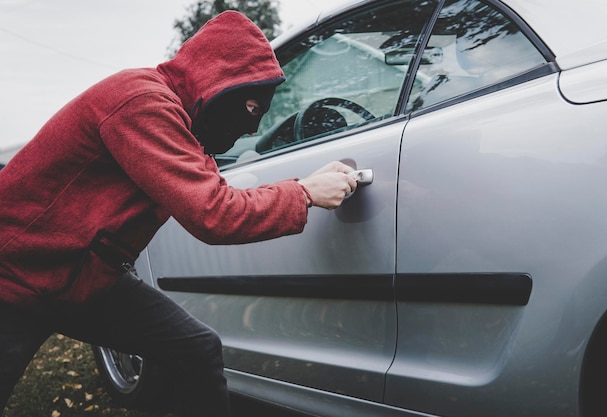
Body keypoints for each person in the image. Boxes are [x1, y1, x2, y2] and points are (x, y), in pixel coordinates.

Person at [0, 11, 357, 417]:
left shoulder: (184, 127)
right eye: (250, 107)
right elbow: (214, 213)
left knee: (195, 349)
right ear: (219, 81)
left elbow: (218, 192)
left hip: (80, 279)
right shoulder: (143, 102)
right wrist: (304, 193)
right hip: (15, 277)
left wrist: (302, 186)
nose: (248, 128)